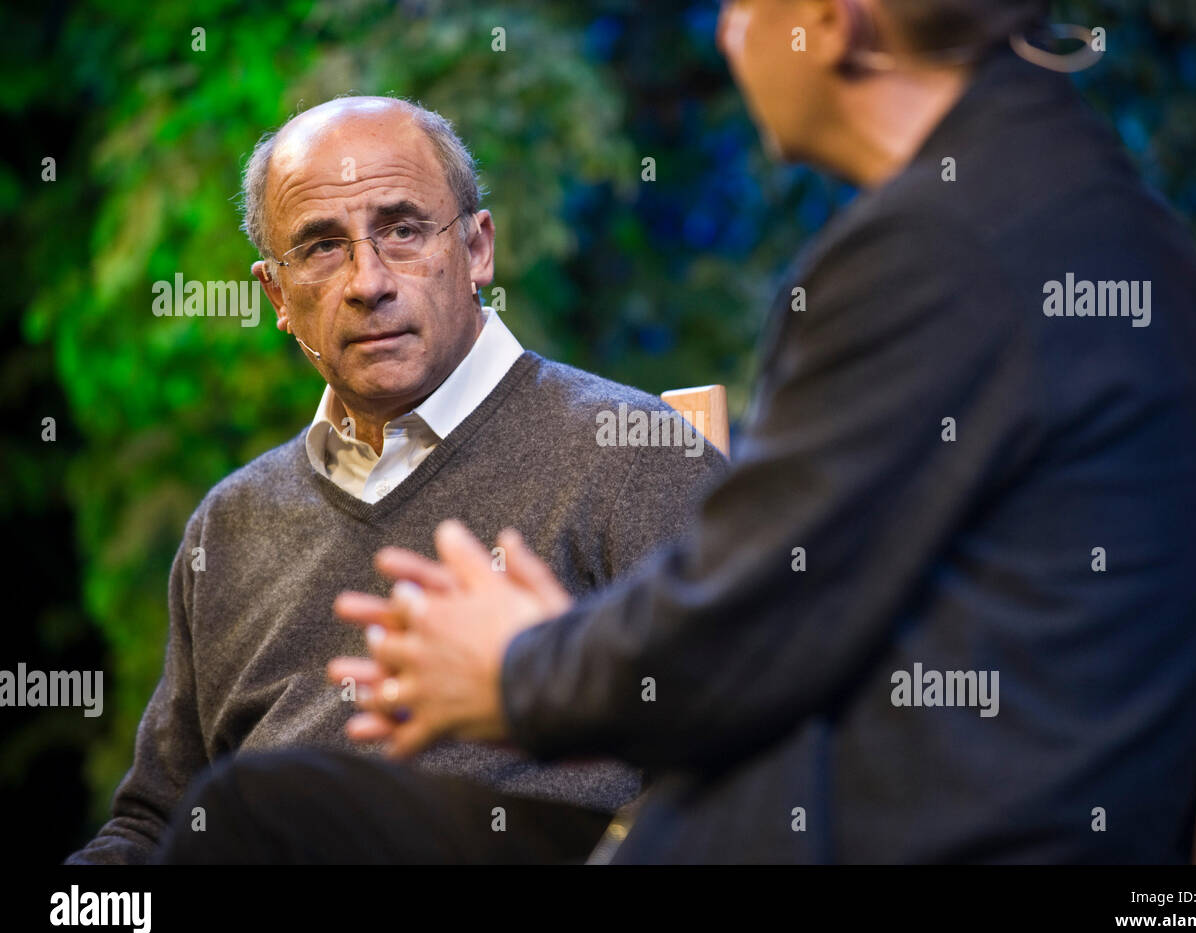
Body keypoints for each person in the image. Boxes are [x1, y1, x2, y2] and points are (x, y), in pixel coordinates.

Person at [160, 0, 1196, 864]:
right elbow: (786, 604)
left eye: (744, 5)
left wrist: (515, 666)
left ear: (836, 22)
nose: (727, 32)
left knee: (270, 811)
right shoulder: (1064, 208)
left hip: (924, 830)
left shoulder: (940, 252)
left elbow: (749, 631)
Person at [66, 96, 728, 864]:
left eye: (404, 230)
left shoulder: (634, 455)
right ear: (278, 296)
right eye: (320, 248)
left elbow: (734, 755)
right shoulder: (230, 524)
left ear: (478, 250)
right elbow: (153, 822)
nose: (367, 282)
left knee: (259, 805)